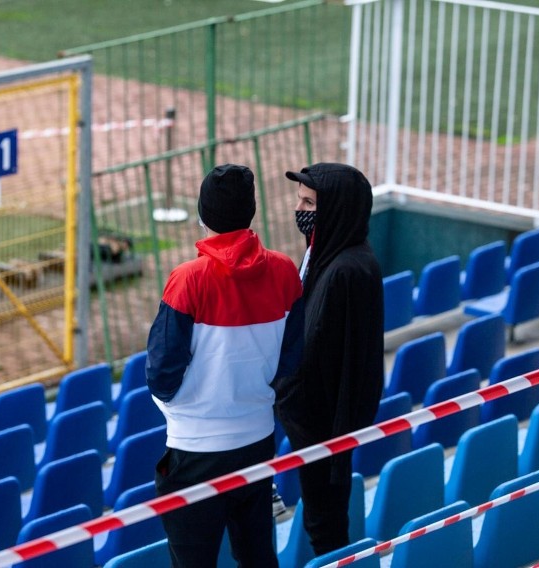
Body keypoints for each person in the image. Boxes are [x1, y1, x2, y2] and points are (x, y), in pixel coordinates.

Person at [146, 163, 304, 567]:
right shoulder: (285, 270)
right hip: (257, 441)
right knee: (257, 556)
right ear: (250, 210)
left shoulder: (187, 279)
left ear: (203, 215)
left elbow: (162, 371)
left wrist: (182, 410)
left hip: (195, 451)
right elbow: (291, 360)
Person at [274, 162, 384, 556]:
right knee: (323, 518)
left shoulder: (348, 270)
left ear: (335, 209)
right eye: (299, 199)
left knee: (326, 525)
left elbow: (331, 354)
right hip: (313, 421)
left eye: (308, 202)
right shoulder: (326, 254)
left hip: (324, 426)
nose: (298, 208)